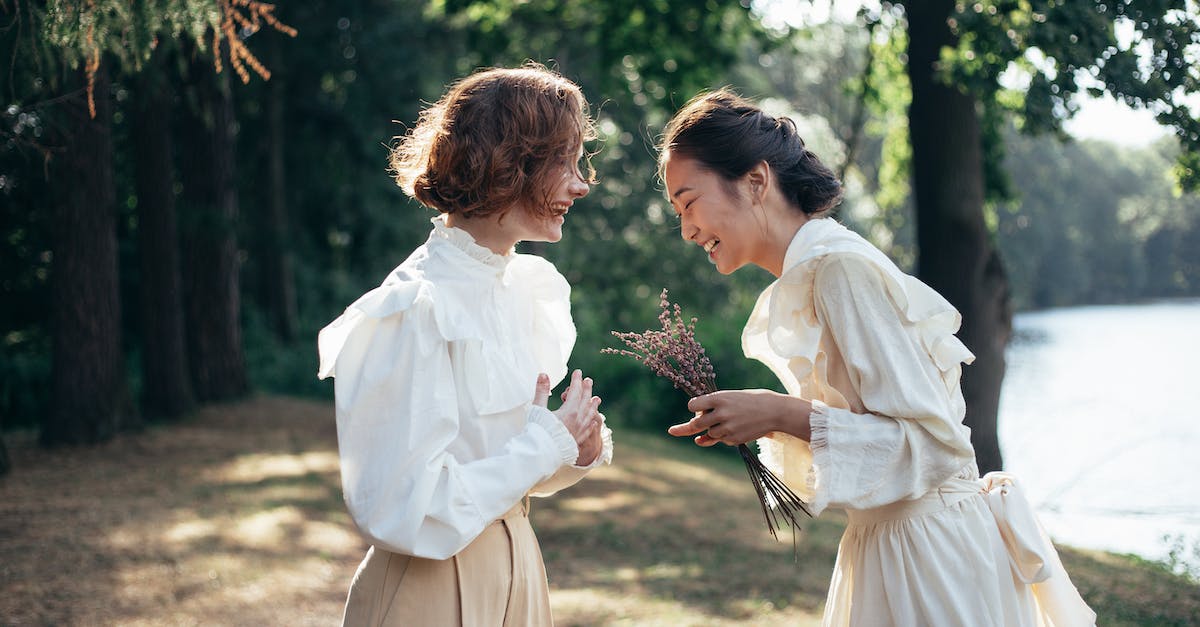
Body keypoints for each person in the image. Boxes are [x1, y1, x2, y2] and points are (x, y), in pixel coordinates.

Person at [660, 88, 1095, 626]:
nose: (686, 229)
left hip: (933, 563)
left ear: (754, 181)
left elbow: (935, 445)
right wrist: (771, 420)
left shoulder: (840, 270)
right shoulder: (817, 272)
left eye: (688, 202)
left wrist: (778, 413)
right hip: (892, 548)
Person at [316, 65, 613, 627]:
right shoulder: (412, 310)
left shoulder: (524, 290)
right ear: (510, 164)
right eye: (565, 163)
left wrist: (575, 448)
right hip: (430, 593)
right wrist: (545, 443)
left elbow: (504, 469)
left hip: (519, 573)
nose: (582, 184)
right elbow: (405, 508)